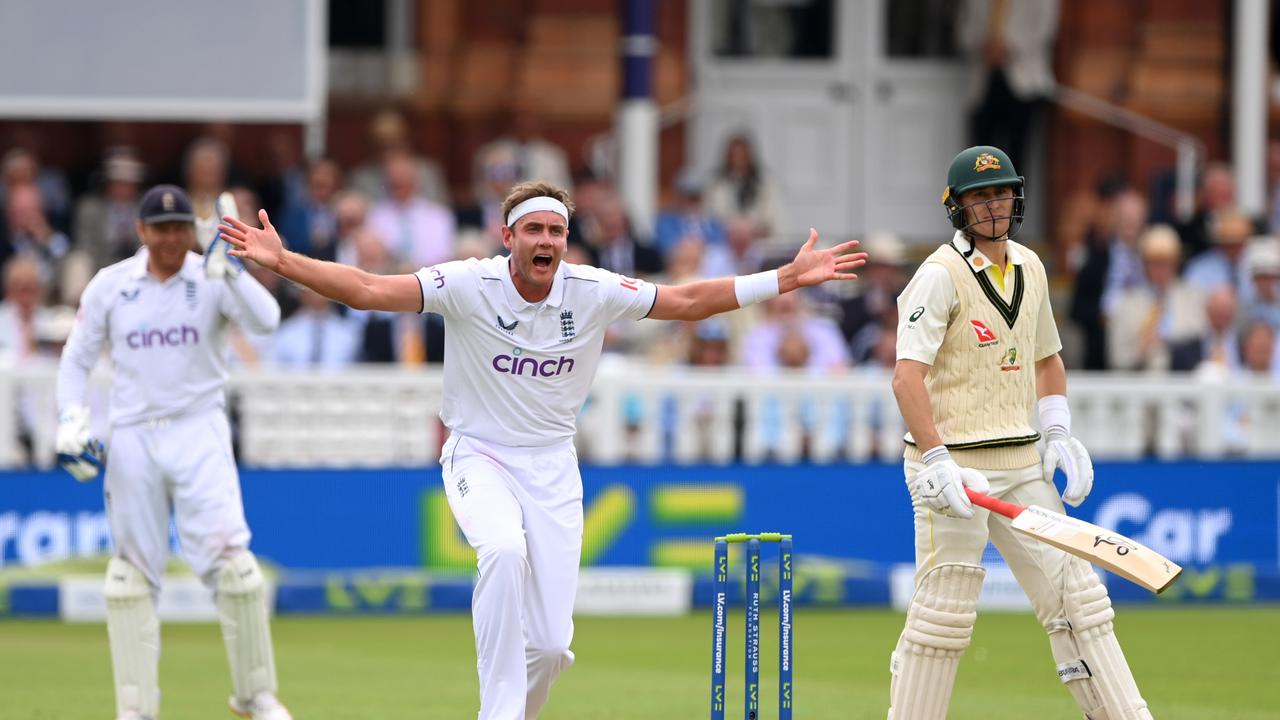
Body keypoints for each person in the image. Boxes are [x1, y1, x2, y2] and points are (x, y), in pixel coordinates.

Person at [216, 180, 866, 720]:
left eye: (556, 231)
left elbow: (689, 301)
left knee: (552, 648)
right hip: (478, 454)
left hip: (553, 464)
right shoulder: (467, 284)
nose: (546, 241)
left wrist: (782, 279)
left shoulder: (591, 290)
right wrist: (283, 261)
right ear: (509, 239)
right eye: (534, 231)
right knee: (500, 551)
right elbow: (366, 289)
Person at [887, 146, 1155, 719]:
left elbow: (1048, 359)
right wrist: (933, 460)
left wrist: (1057, 431)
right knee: (944, 615)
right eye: (979, 196)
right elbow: (907, 377)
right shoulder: (938, 275)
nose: (992, 206)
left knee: (1079, 600)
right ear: (956, 207)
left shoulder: (1032, 267)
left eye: (1000, 192)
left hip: (1023, 463)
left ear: (1017, 197)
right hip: (955, 473)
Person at [55, 185, 289, 720]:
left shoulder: (211, 276)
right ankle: (136, 709)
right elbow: (76, 360)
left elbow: (268, 320)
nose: (171, 238)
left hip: (200, 429)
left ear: (193, 229)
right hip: (134, 434)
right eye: (161, 229)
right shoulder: (111, 286)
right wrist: (71, 418)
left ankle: (257, 697)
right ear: (141, 231)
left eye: (181, 227)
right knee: (130, 576)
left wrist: (231, 270)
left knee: (235, 569)